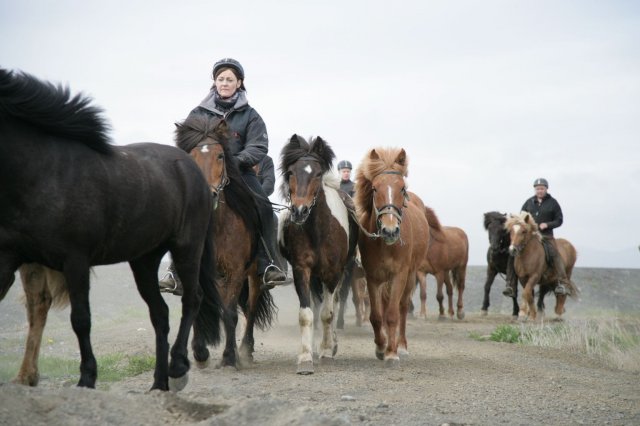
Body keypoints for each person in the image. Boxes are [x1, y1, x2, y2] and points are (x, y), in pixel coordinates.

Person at [160, 58, 286, 295]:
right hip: (205, 173)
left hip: (240, 173)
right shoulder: (198, 113)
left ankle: (268, 263)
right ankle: (174, 272)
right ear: (214, 82)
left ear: (239, 83)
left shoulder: (251, 115)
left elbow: (258, 147)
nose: (225, 83)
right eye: (221, 79)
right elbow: (185, 143)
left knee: (265, 208)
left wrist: (234, 161)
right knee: (179, 210)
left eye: (230, 79)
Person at [503, 177, 570, 297]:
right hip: (529, 236)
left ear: (546, 189)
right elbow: (521, 219)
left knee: (554, 253)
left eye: (542, 188)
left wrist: (548, 224)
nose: (540, 191)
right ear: (535, 189)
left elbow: (559, 220)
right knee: (512, 255)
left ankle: (562, 282)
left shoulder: (553, 203)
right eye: (538, 189)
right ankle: (510, 284)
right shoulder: (528, 202)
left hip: (546, 236)